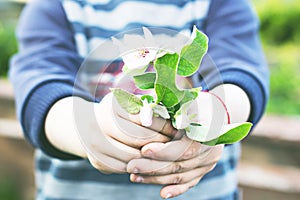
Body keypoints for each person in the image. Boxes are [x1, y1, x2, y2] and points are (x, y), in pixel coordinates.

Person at [9, 0, 269, 199]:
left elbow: (242, 76)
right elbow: (39, 89)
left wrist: (212, 115)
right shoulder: (59, 6)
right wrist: (89, 130)